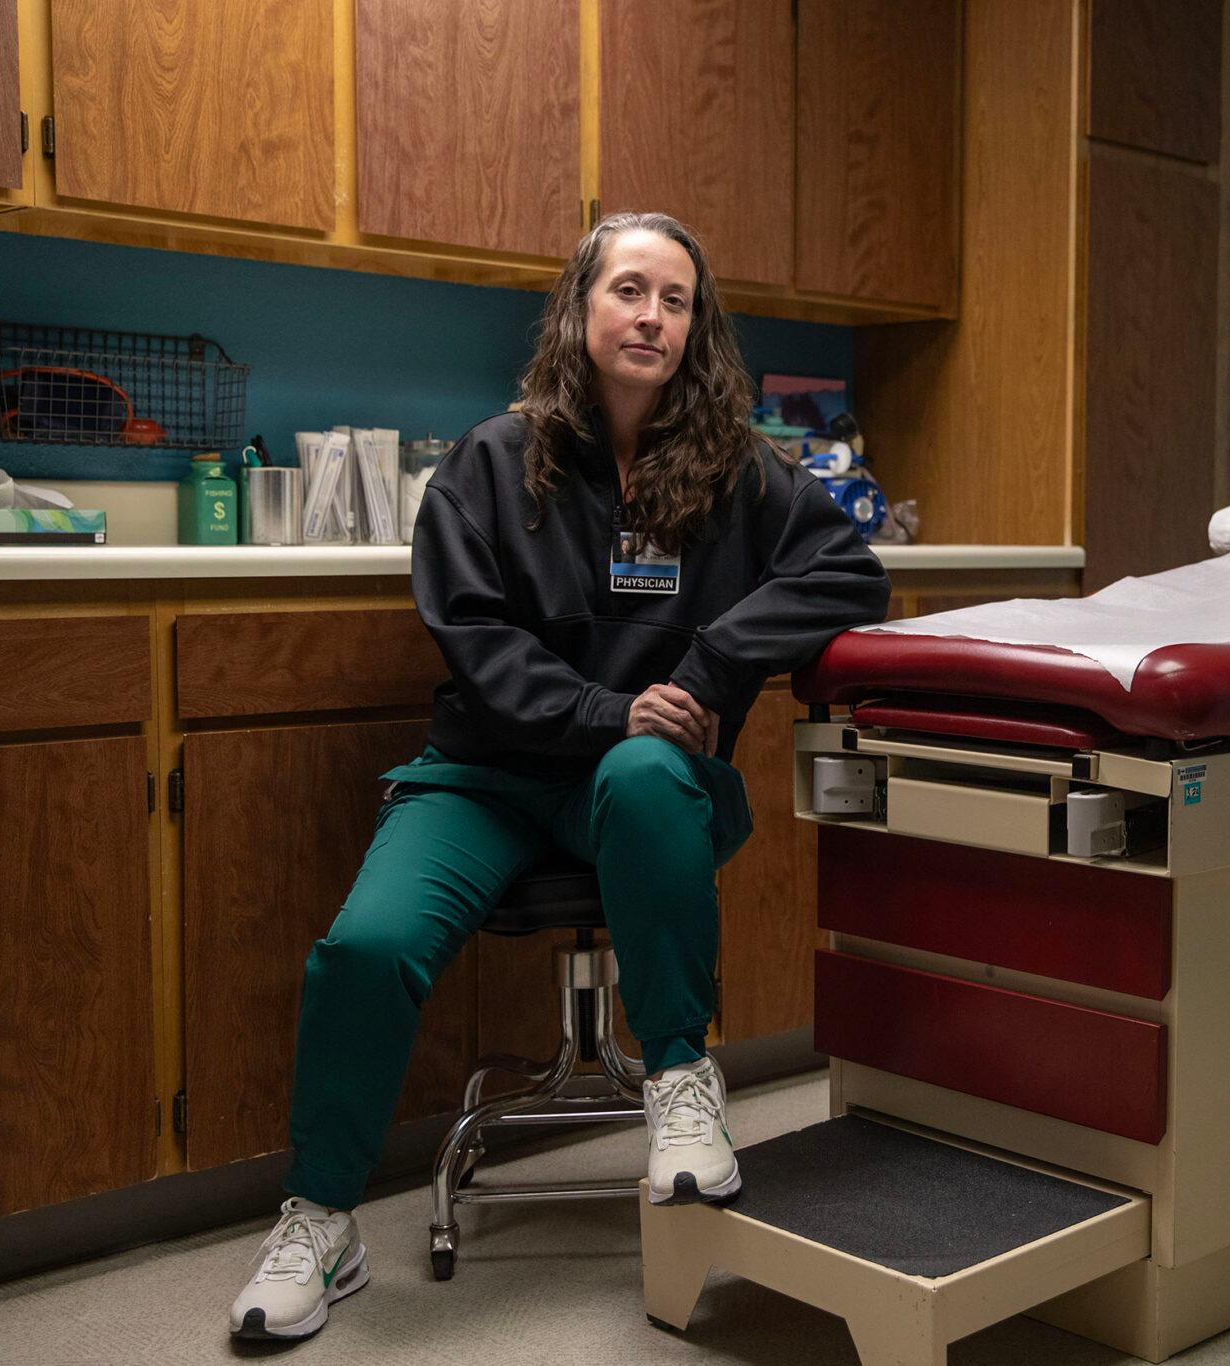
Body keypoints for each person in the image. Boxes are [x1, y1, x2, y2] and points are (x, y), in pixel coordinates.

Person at [230, 212, 890, 1341]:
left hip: (638, 793)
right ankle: (321, 1216)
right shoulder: (488, 464)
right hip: (486, 779)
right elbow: (478, 648)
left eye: (675, 301)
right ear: (581, 310)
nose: (651, 317)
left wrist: (711, 661)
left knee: (642, 768)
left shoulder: (738, 471)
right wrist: (607, 707)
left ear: (697, 327)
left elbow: (848, 574)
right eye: (629, 290)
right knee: (365, 948)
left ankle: (680, 1083)